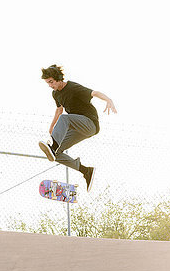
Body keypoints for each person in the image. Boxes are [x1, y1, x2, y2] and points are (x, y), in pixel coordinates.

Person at [38, 64, 117, 192]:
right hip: (77, 128)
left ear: (58, 78)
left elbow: (94, 93)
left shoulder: (72, 87)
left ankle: (53, 146)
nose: (50, 86)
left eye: (51, 82)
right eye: (48, 83)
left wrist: (108, 100)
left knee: (65, 119)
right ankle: (86, 171)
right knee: (55, 155)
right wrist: (51, 126)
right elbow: (59, 109)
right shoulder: (55, 94)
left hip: (89, 123)